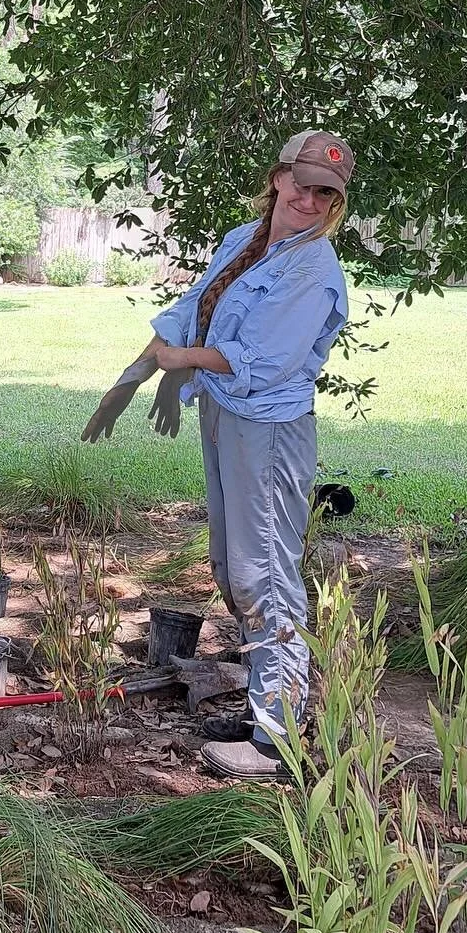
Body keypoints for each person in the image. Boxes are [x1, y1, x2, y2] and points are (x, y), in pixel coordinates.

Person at [82, 131, 354, 780]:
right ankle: (269, 710)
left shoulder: (312, 268)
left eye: (326, 192)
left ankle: (276, 743)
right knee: (232, 568)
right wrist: (131, 381)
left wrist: (181, 365)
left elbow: (264, 362)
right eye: (302, 181)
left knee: (265, 576)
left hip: (269, 429)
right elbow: (188, 314)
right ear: (280, 174)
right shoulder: (245, 240)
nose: (309, 199)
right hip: (225, 416)